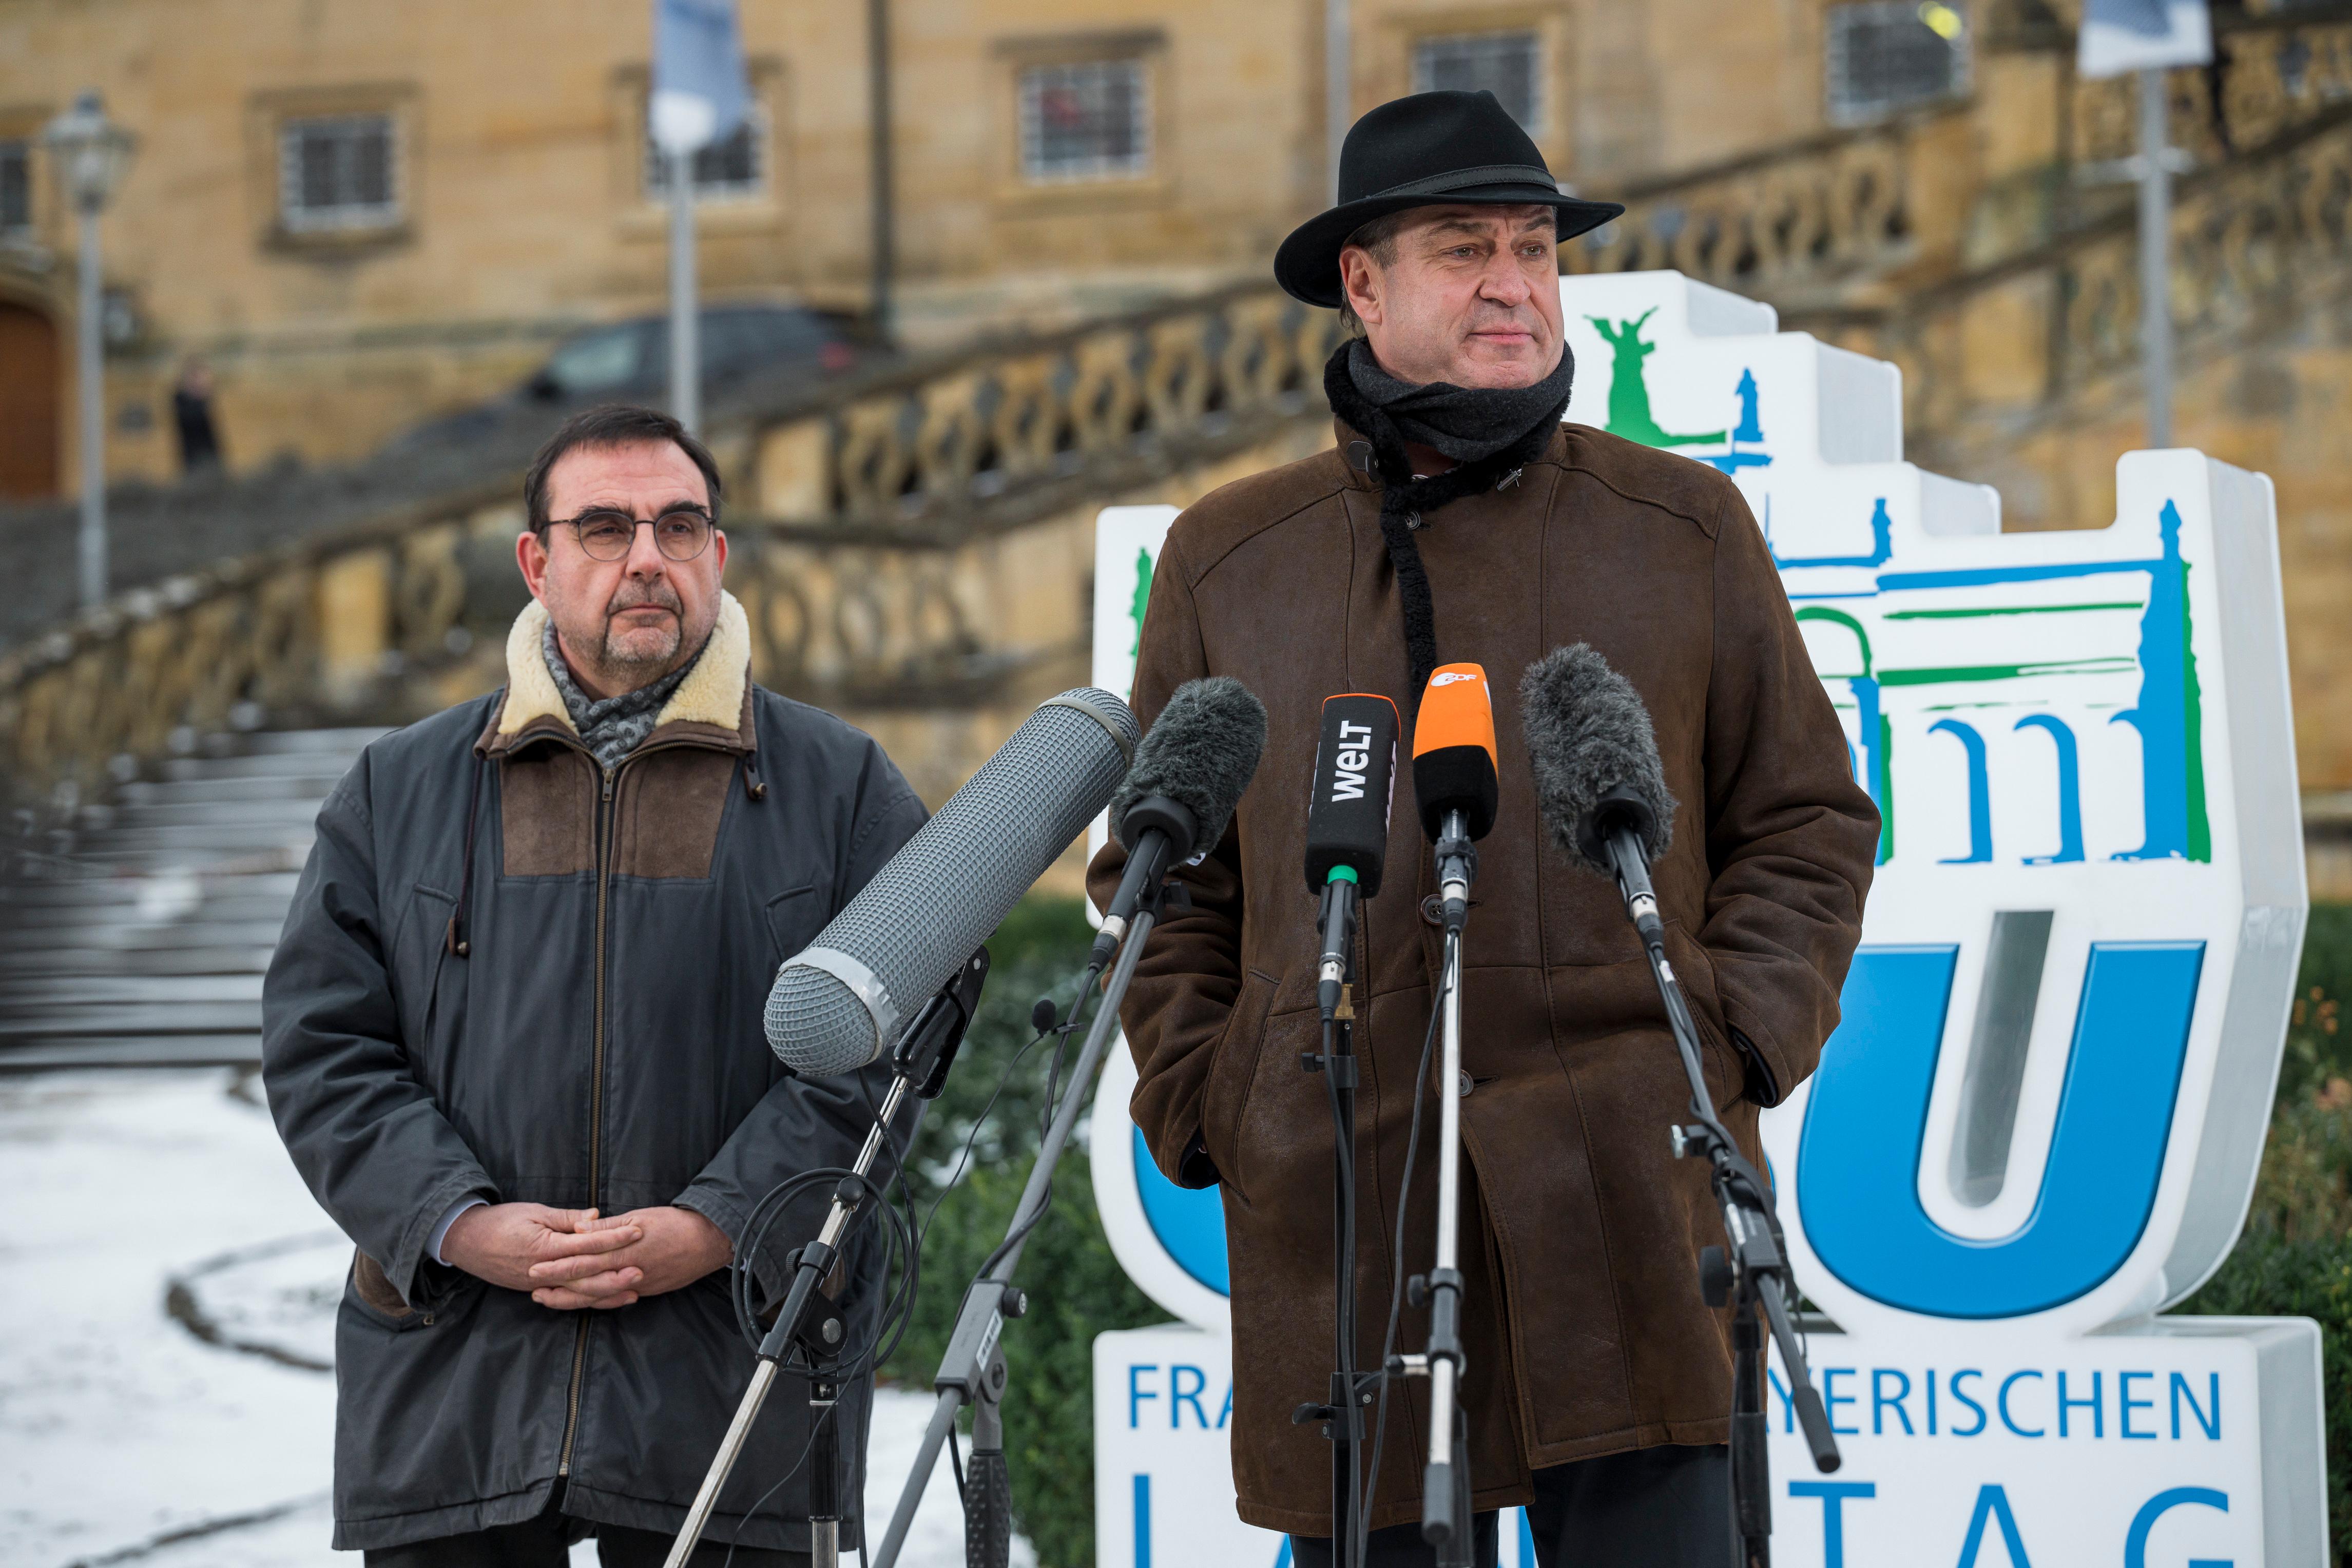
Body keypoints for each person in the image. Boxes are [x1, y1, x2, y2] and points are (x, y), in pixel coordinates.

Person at [1087, 91, 1880, 1568]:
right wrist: (1212, 1097)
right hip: (1345, 1207)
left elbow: (1804, 818)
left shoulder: (1680, 523)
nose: (1515, 281)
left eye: (1533, 247)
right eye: (1464, 250)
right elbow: (1167, 882)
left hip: (1633, 1201)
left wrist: (1725, 1034)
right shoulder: (1228, 556)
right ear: (1362, 283)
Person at [263, 403, 927, 1564]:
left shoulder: (842, 787)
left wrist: (715, 1224)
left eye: (679, 526)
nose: (646, 559)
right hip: (459, 1365)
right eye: (605, 527)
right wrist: (457, 1223)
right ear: (537, 560)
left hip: (732, 1368)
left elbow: (891, 1047)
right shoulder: (398, 788)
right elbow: (325, 1046)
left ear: (718, 554)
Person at [171, 357, 222, 472]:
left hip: (210, 458)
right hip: (193, 459)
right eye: (197, 378)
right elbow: (191, 419)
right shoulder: (181, 400)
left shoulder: (203, 401)